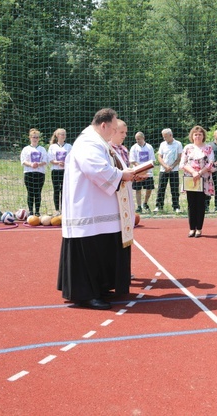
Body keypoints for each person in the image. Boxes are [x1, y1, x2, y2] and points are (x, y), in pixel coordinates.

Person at [57, 108, 137, 310]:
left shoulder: (97, 141)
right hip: (87, 209)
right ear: (104, 125)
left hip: (99, 208)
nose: (114, 132)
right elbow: (96, 169)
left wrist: (125, 173)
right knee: (89, 251)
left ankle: (99, 287)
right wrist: (123, 175)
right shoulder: (88, 142)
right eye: (113, 127)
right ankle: (86, 294)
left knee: (100, 249)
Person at [180, 126, 216, 237]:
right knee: (191, 204)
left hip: (203, 179)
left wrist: (199, 173)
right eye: (195, 134)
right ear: (192, 136)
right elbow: (182, 164)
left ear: (203, 136)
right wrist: (193, 172)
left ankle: (199, 228)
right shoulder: (187, 148)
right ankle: (192, 228)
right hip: (190, 179)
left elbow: (210, 163)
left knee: (200, 204)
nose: (197, 136)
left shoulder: (208, 148)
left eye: (200, 134)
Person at [21, 128, 48, 216]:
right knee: (30, 192)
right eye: (33, 137)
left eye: (36, 137)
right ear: (30, 137)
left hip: (40, 173)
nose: (35, 139)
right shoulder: (26, 149)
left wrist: (38, 164)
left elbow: (45, 161)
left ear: (38, 138)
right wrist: (31, 164)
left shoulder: (42, 149)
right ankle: (30, 211)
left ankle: (37, 211)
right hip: (29, 173)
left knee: (38, 192)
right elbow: (23, 161)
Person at [154, 128, 183, 213]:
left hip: (174, 170)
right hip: (163, 170)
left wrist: (172, 166)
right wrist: (165, 166)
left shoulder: (178, 144)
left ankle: (176, 207)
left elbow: (179, 157)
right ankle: (159, 206)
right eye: (163, 137)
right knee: (161, 188)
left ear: (170, 135)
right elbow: (159, 157)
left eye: (165, 136)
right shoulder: (162, 144)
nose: (164, 138)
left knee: (174, 189)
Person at [129, 132, 154, 213]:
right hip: (138, 172)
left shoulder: (149, 147)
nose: (137, 140)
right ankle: (139, 206)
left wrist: (145, 169)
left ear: (143, 138)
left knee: (149, 188)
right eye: (136, 139)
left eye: (138, 139)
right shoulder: (133, 147)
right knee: (138, 189)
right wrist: (140, 169)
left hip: (148, 172)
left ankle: (145, 203)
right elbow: (132, 160)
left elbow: (152, 160)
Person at [48, 128, 71, 213]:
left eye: (65, 134)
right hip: (55, 171)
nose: (64, 136)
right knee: (56, 190)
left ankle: (64, 209)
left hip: (65, 171)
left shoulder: (69, 146)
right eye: (62, 134)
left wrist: (65, 163)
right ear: (57, 135)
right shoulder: (52, 147)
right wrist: (57, 163)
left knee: (65, 190)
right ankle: (57, 210)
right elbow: (50, 159)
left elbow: (71, 159)